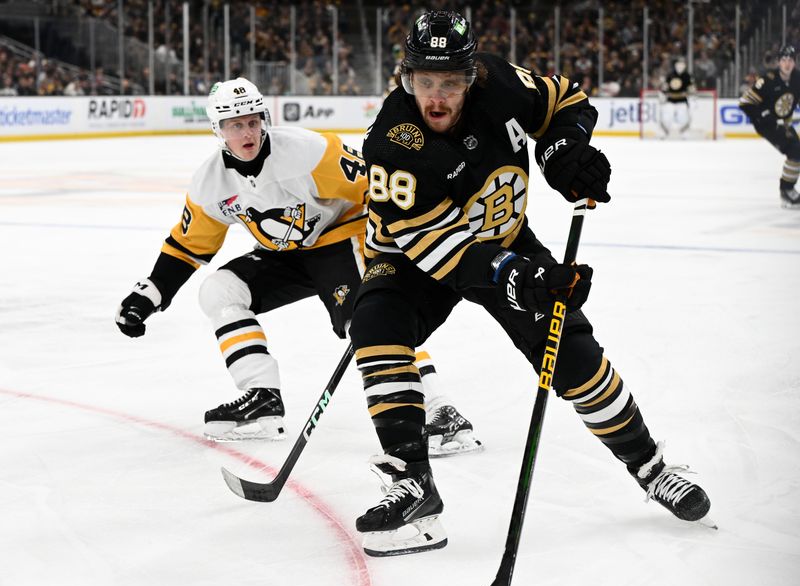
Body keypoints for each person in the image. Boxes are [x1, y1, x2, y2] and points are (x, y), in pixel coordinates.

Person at [348, 11, 713, 557]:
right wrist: (513, 276)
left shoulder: (503, 85)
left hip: (505, 236)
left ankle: (651, 465)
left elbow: (568, 99)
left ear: (472, 78)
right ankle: (413, 484)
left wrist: (563, 149)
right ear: (407, 79)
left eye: (450, 82)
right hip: (411, 254)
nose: (438, 97)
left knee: (572, 354)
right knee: (374, 323)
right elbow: (441, 251)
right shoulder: (392, 146)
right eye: (426, 82)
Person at [115, 77, 481, 456]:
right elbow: (189, 245)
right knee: (219, 290)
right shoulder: (210, 183)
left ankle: (441, 411)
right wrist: (150, 294)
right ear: (218, 129)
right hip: (284, 252)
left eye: (253, 121)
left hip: (341, 237)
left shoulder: (309, 152)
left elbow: (379, 188)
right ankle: (261, 397)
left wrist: (400, 242)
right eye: (236, 124)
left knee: (372, 321)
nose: (248, 131)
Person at [739, 44, 800, 209]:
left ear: (795, 62)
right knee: (795, 150)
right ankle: (786, 191)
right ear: (779, 62)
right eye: (784, 60)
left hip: (784, 124)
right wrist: (763, 117)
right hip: (767, 125)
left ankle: (788, 189)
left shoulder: (797, 79)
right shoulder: (767, 80)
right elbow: (745, 103)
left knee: (797, 153)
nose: (787, 64)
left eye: (790, 60)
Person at [659, 57, 695, 138]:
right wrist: (662, 94)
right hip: (670, 100)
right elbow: (665, 87)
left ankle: (684, 133)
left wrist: (691, 95)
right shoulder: (670, 75)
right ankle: (664, 132)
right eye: (678, 64)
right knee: (666, 117)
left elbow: (691, 88)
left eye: (682, 65)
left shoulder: (687, 76)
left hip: (682, 101)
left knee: (683, 118)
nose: (680, 66)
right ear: (675, 65)